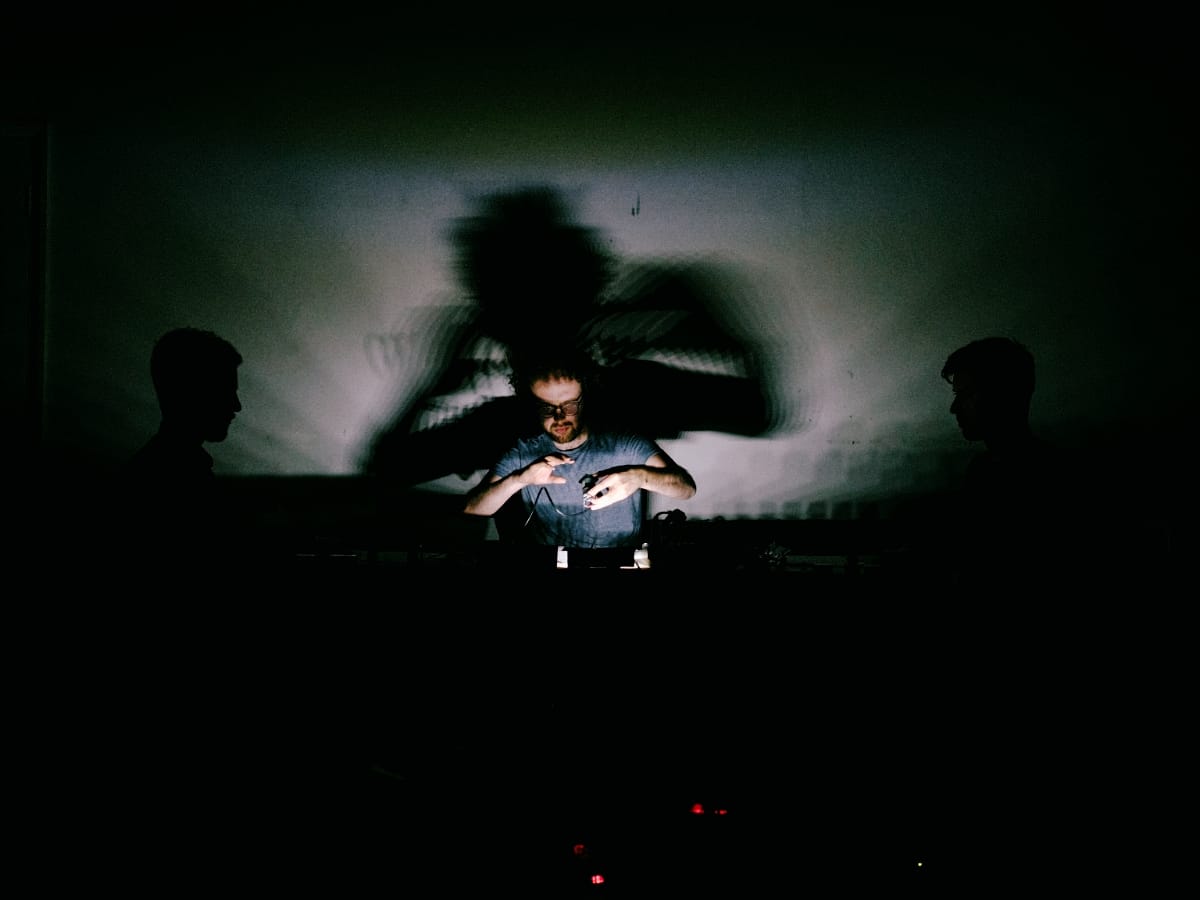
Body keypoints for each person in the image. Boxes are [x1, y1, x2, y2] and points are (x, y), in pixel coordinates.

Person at [462, 349, 696, 549]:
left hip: (619, 560)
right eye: (547, 407)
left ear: (585, 400)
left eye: (569, 405)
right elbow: (472, 508)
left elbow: (686, 488)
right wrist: (519, 479)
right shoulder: (523, 451)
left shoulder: (623, 441)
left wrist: (639, 477)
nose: (559, 417)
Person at [940, 336, 1090, 586]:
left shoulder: (988, 474)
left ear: (999, 394)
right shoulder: (1056, 472)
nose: (954, 408)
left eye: (965, 394)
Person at [119, 326, 246, 568]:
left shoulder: (149, 472)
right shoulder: (178, 480)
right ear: (195, 393)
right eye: (226, 392)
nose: (236, 405)